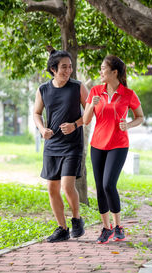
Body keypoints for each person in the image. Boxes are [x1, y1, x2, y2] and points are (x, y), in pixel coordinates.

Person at [83, 55, 144, 244]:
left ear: (114, 72)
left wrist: (129, 125)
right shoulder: (95, 92)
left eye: (103, 69)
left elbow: (140, 116)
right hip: (98, 145)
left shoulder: (128, 94)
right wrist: (90, 106)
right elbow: (85, 121)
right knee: (100, 187)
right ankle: (106, 228)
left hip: (118, 144)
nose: (100, 72)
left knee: (109, 184)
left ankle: (118, 226)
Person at [33, 49, 88, 243]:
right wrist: (42, 129)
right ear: (53, 69)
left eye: (70, 67)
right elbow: (37, 113)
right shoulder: (43, 90)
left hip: (72, 145)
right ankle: (62, 228)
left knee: (67, 185)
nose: (68, 70)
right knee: (52, 188)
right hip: (52, 144)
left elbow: (90, 113)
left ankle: (76, 219)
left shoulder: (78, 87)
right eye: (64, 67)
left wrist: (75, 125)